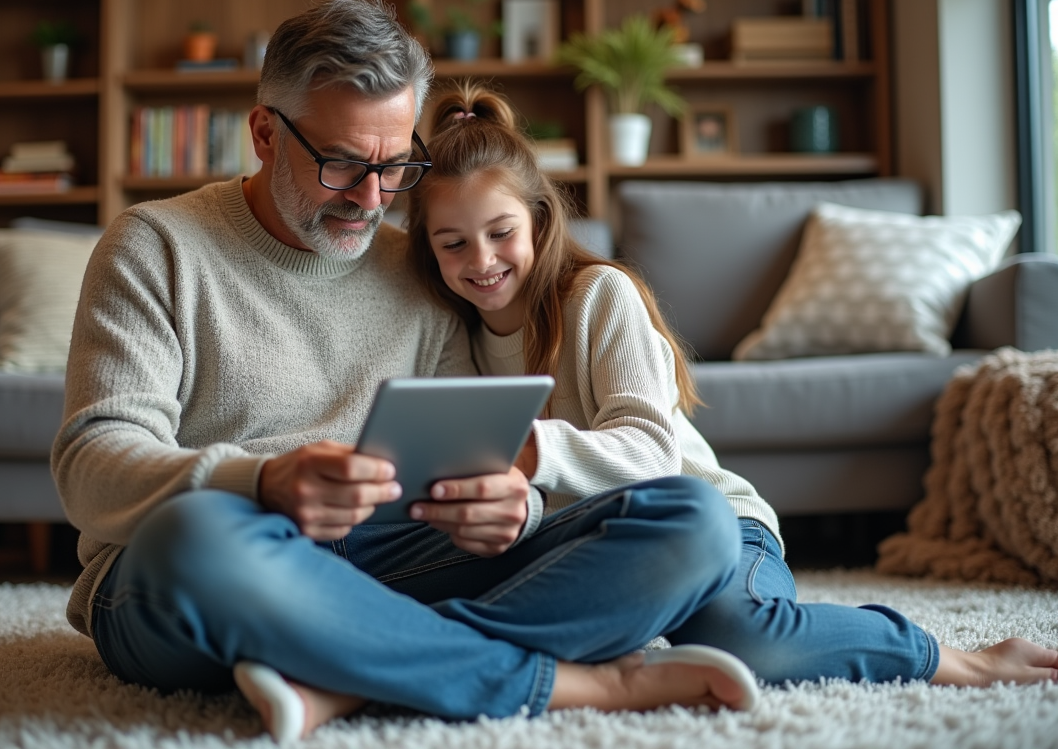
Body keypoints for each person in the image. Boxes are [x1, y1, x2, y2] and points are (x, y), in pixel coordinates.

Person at [53, 0, 764, 746]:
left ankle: (353, 672)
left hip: (395, 557)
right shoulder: (154, 246)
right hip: (223, 562)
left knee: (694, 520)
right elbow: (89, 469)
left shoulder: (420, 265)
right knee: (193, 535)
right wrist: (260, 481)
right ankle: (577, 684)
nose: (371, 201)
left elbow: (464, 448)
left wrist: (509, 507)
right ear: (264, 133)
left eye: (396, 168)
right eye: (342, 164)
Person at [404, 79, 1058, 694]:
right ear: (428, 250)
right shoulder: (449, 336)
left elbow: (651, 455)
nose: (482, 261)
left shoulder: (597, 295)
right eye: (454, 243)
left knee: (748, 641)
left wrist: (531, 450)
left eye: (501, 233)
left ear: (540, 222)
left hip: (714, 524)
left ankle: (959, 658)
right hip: (590, 541)